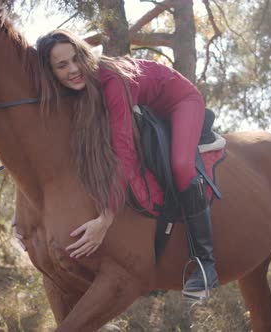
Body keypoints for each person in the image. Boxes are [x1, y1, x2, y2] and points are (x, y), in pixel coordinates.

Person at [36, 29, 218, 296]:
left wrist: (106, 218)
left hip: (179, 101)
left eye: (76, 58)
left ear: (84, 54)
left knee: (181, 166)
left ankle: (205, 264)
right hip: (146, 104)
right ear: (51, 71)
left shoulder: (111, 80)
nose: (74, 70)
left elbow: (123, 147)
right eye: (62, 65)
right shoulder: (72, 91)